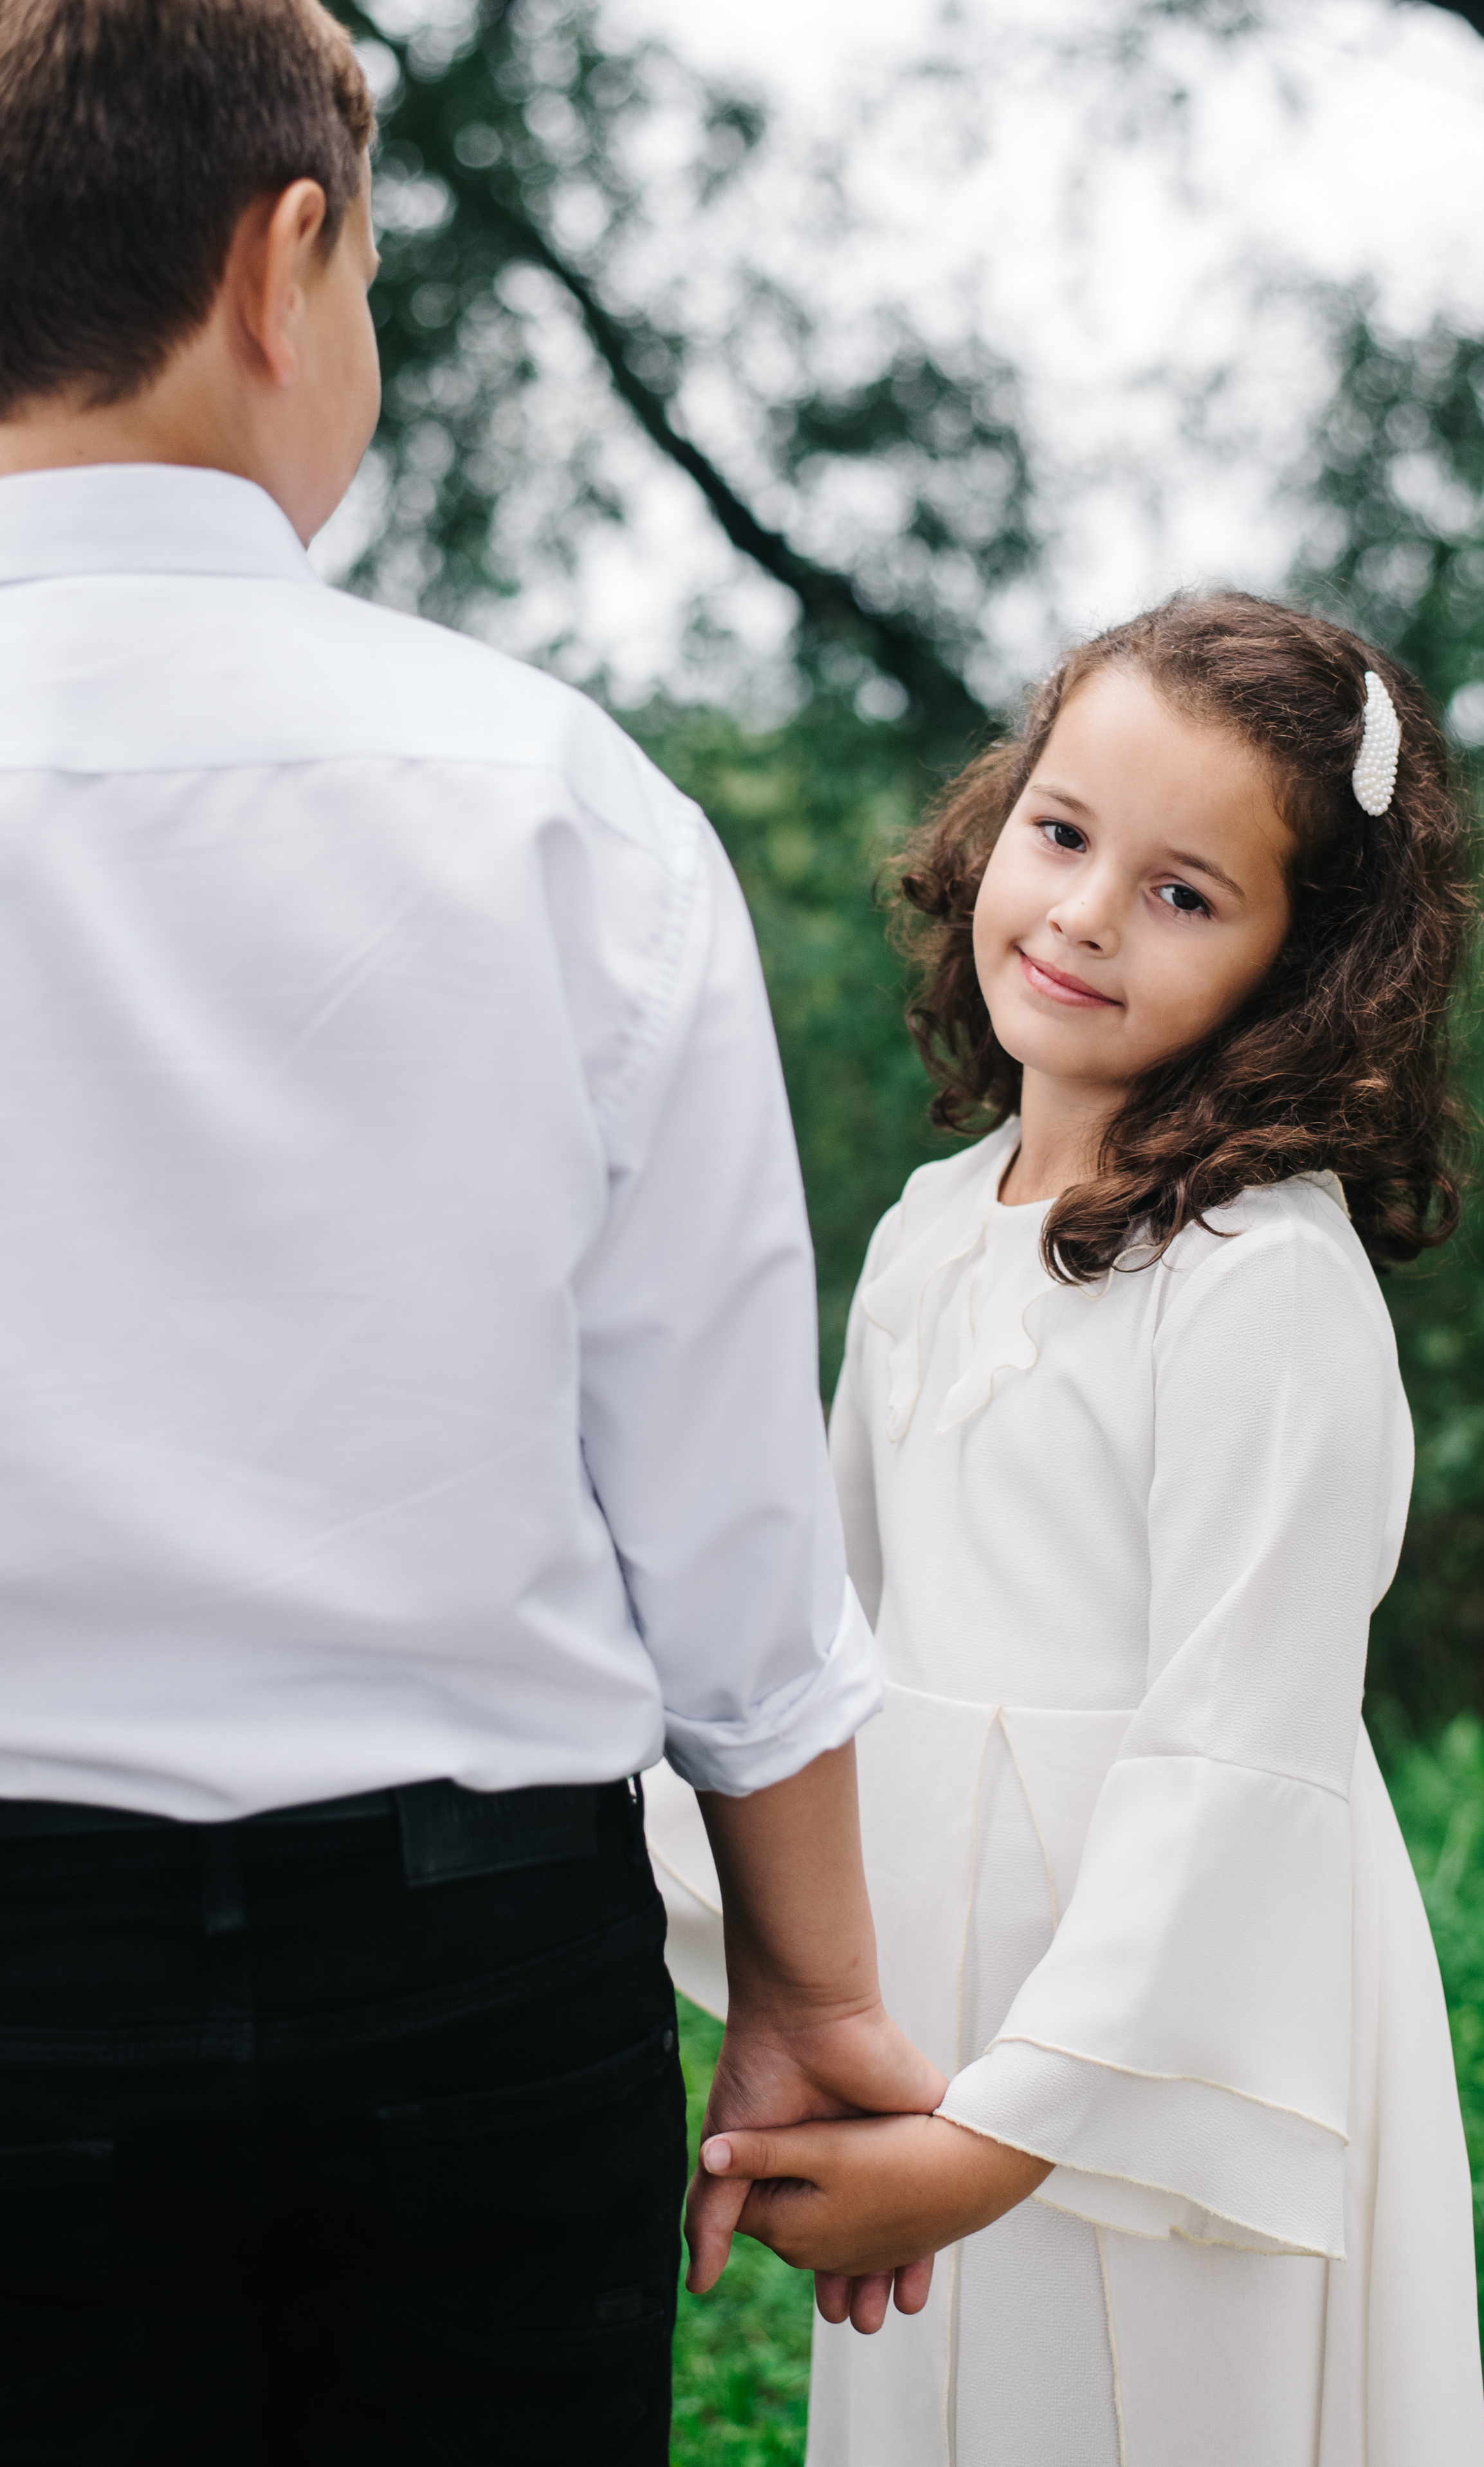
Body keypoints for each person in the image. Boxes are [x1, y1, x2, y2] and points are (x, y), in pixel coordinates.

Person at [0, 1, 942, 2459]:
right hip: (471, 1995)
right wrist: (816, 1987)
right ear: (282, 261)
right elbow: (721, 1514)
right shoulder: (563, 802)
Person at [670, 595, 1484, 2464]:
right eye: (1062, 831)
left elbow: (1237, 1756)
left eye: (1188, 892)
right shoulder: (924, 1231)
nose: (1087, 914)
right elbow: (826, 1639)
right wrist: (783, 1968)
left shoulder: (1259, 1279)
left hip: (1162, 2033)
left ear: (1306, 969)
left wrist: (999, 2139)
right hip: (926, 1997)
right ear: (1000, 817)